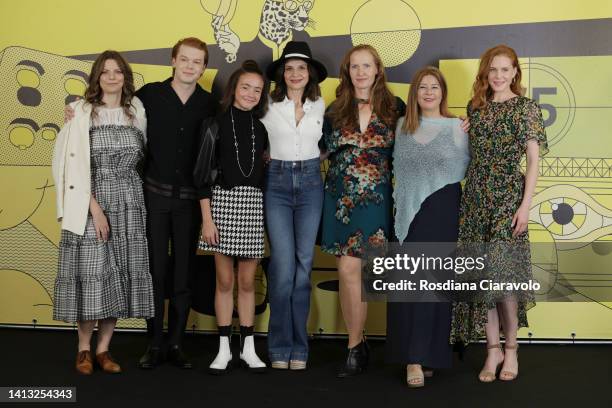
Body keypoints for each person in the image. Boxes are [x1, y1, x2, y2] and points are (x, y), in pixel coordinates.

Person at [65, 38, 217, 369]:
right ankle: (154, 344)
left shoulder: (209, 103)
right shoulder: (147, 98)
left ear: (204, 67)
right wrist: (76, 109)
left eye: (198, 62)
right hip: (152, 196)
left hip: (189, 201)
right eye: (185, 60)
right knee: (153, 272)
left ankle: (176, 344)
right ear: (173, 61)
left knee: (183, 276)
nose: (190, 66)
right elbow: (96, 116)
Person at [52, 50, 154, 375]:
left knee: (118, 277)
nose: (112, 77)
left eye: (118, 71)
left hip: (130, 202)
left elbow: (147, 154)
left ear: (125, 76)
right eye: (105, 71)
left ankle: (103, 350)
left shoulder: (136, 111)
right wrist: (93, 207)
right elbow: (66, 165)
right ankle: (83, 349)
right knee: (91, 275)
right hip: (90, 201)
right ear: (96, 77)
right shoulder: (80, 112)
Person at [450, 44, 548, 382]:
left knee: (503, 276)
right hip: (476, 196)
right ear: (485, 73)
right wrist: (457, 133)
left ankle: (511, 350)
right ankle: (490, 352)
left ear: (515, 73)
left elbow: (533, 161)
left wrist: (526, 205)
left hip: (508, 195)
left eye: (505, 70)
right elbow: (464, 153)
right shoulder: (476, 108)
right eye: (493, 70)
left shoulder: (526, 109)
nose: (499, 76)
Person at [320, 44, 405, 377]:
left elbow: (418, 139)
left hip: (377, 200)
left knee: (366, 274)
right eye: (354, 66)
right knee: (347, 272)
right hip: (340, 200)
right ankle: (355, 346)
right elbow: (318, 152)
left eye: (366, 66)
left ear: (377, 70)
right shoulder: (334, 109)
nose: (360, 72)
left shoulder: (395, 108)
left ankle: (360, 344)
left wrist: (456, 128)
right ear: (347, 71)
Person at [386, 66, 470, 387]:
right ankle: (413, 359)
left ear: (443, 92)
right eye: (423, 87)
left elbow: (472, 165)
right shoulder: (401, 128)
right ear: (414, 93)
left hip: (442, 208)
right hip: (407, 213)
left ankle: (430, 355)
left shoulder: (458, 128)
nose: (429, 92)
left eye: (435, 87)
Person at [194, 60, 270, 374]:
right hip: (221, 204)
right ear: (234, 89)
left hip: (252, 205)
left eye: (257, 90)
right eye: (245, 87)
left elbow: (263, 173)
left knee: (247, 282)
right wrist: (207, 220)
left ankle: (248, 348)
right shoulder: (214, 124)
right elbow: (200, 176)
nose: (251, 94)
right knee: (224, 281)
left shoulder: (262, 129)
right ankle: (224, 349)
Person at [261, 41, 328, 370]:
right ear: (281, 74)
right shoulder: (267, 104)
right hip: (277, 184)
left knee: (304, 269)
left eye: (302, 68)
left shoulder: (321, 103)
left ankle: (299, 349)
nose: (296, 73)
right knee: (283, 269)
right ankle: (279, 346)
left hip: (312, 184)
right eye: (289, 68)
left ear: (310, 73)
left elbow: (329, 141)